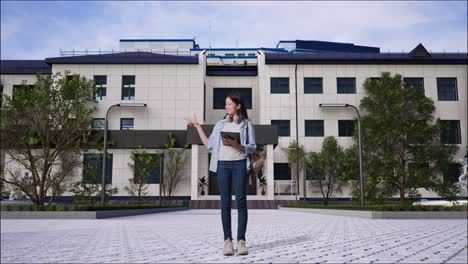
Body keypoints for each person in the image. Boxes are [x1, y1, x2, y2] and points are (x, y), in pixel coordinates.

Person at [184, 94, 256, 256]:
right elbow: (209, 145)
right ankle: (227, 241)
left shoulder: (246, 125)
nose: (226, 107)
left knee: (241, 202)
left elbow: (252, 146)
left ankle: (241, 241)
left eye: (229, 104)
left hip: (239, 165)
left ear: (238, 106)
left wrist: (239, 146)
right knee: (225, 204)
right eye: (226, 104)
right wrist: (197, 126)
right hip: (223, 165)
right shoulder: (220, 125)